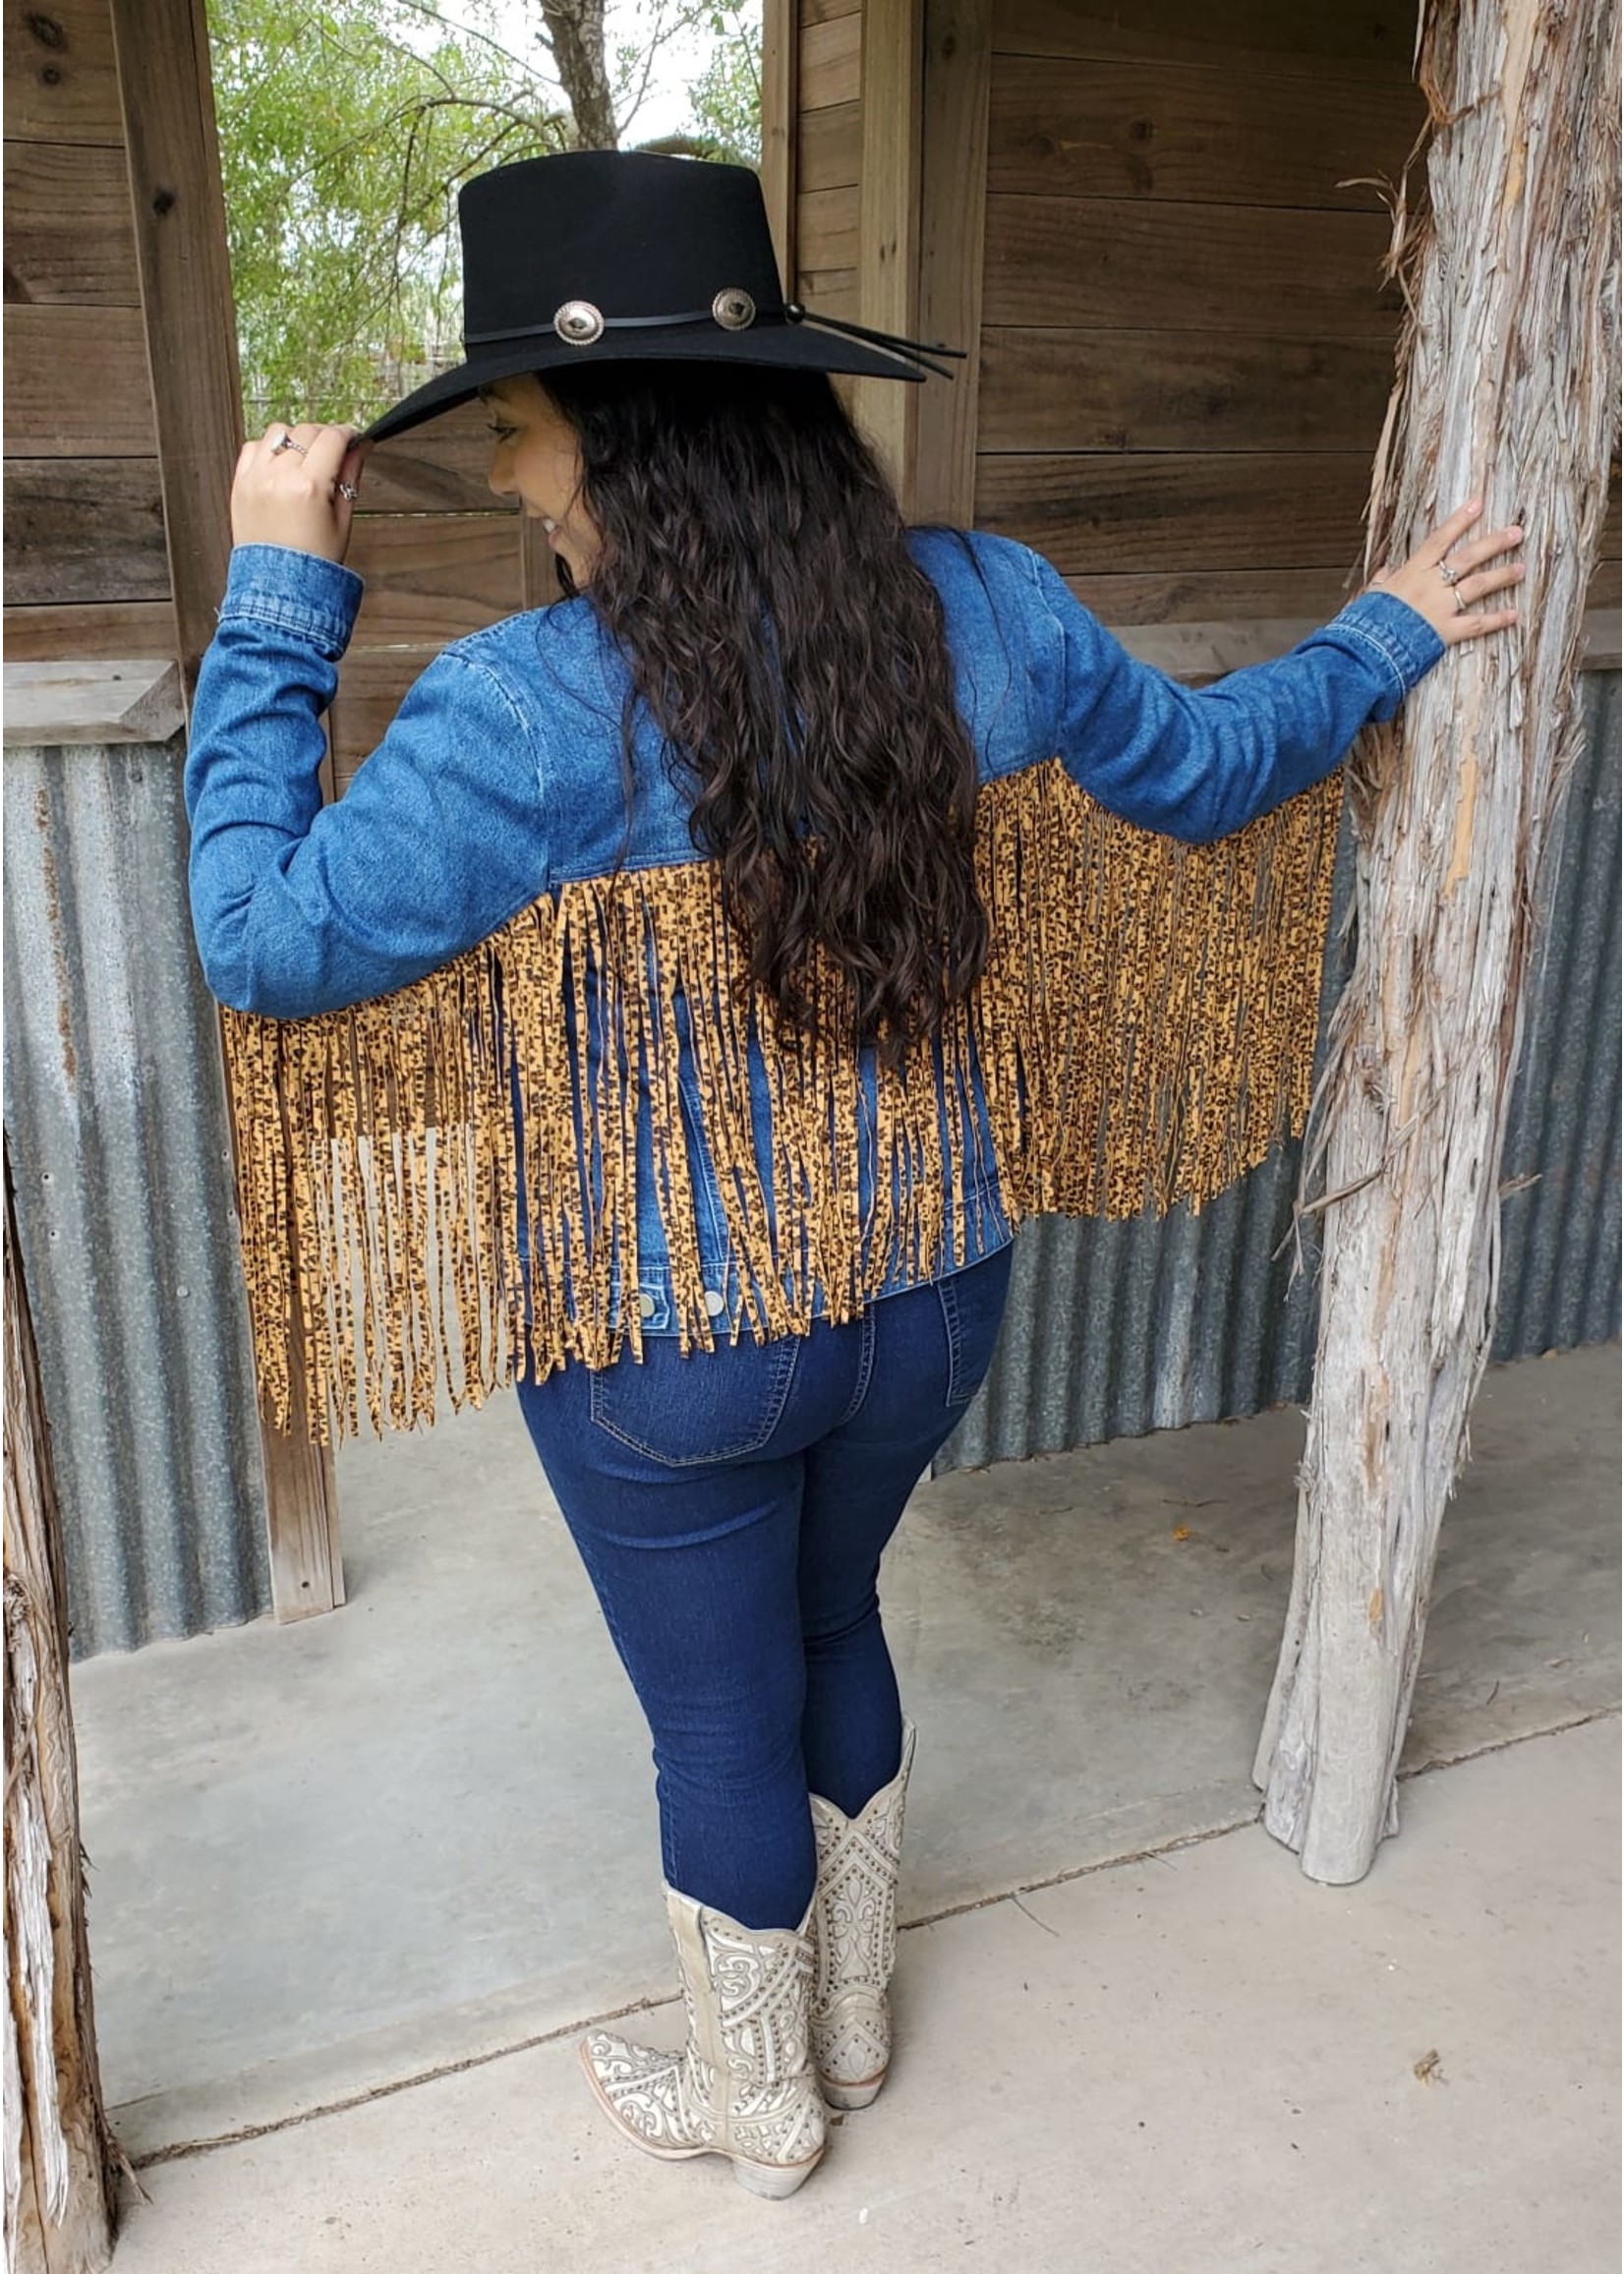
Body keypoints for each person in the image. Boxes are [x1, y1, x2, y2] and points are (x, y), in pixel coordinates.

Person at [185, 150, 1525, 2201]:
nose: (509, 483)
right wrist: (1383, 632)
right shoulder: (986, 608)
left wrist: (279, 583)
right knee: (832, 1619)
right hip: (932, 1297)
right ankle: (859, 2016)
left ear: (621, 440)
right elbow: (1220, 765)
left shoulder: (518, 714)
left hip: (670, 1350)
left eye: (520, 436)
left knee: (717, 1714)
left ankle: (763, 2100)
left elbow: (260, 936)